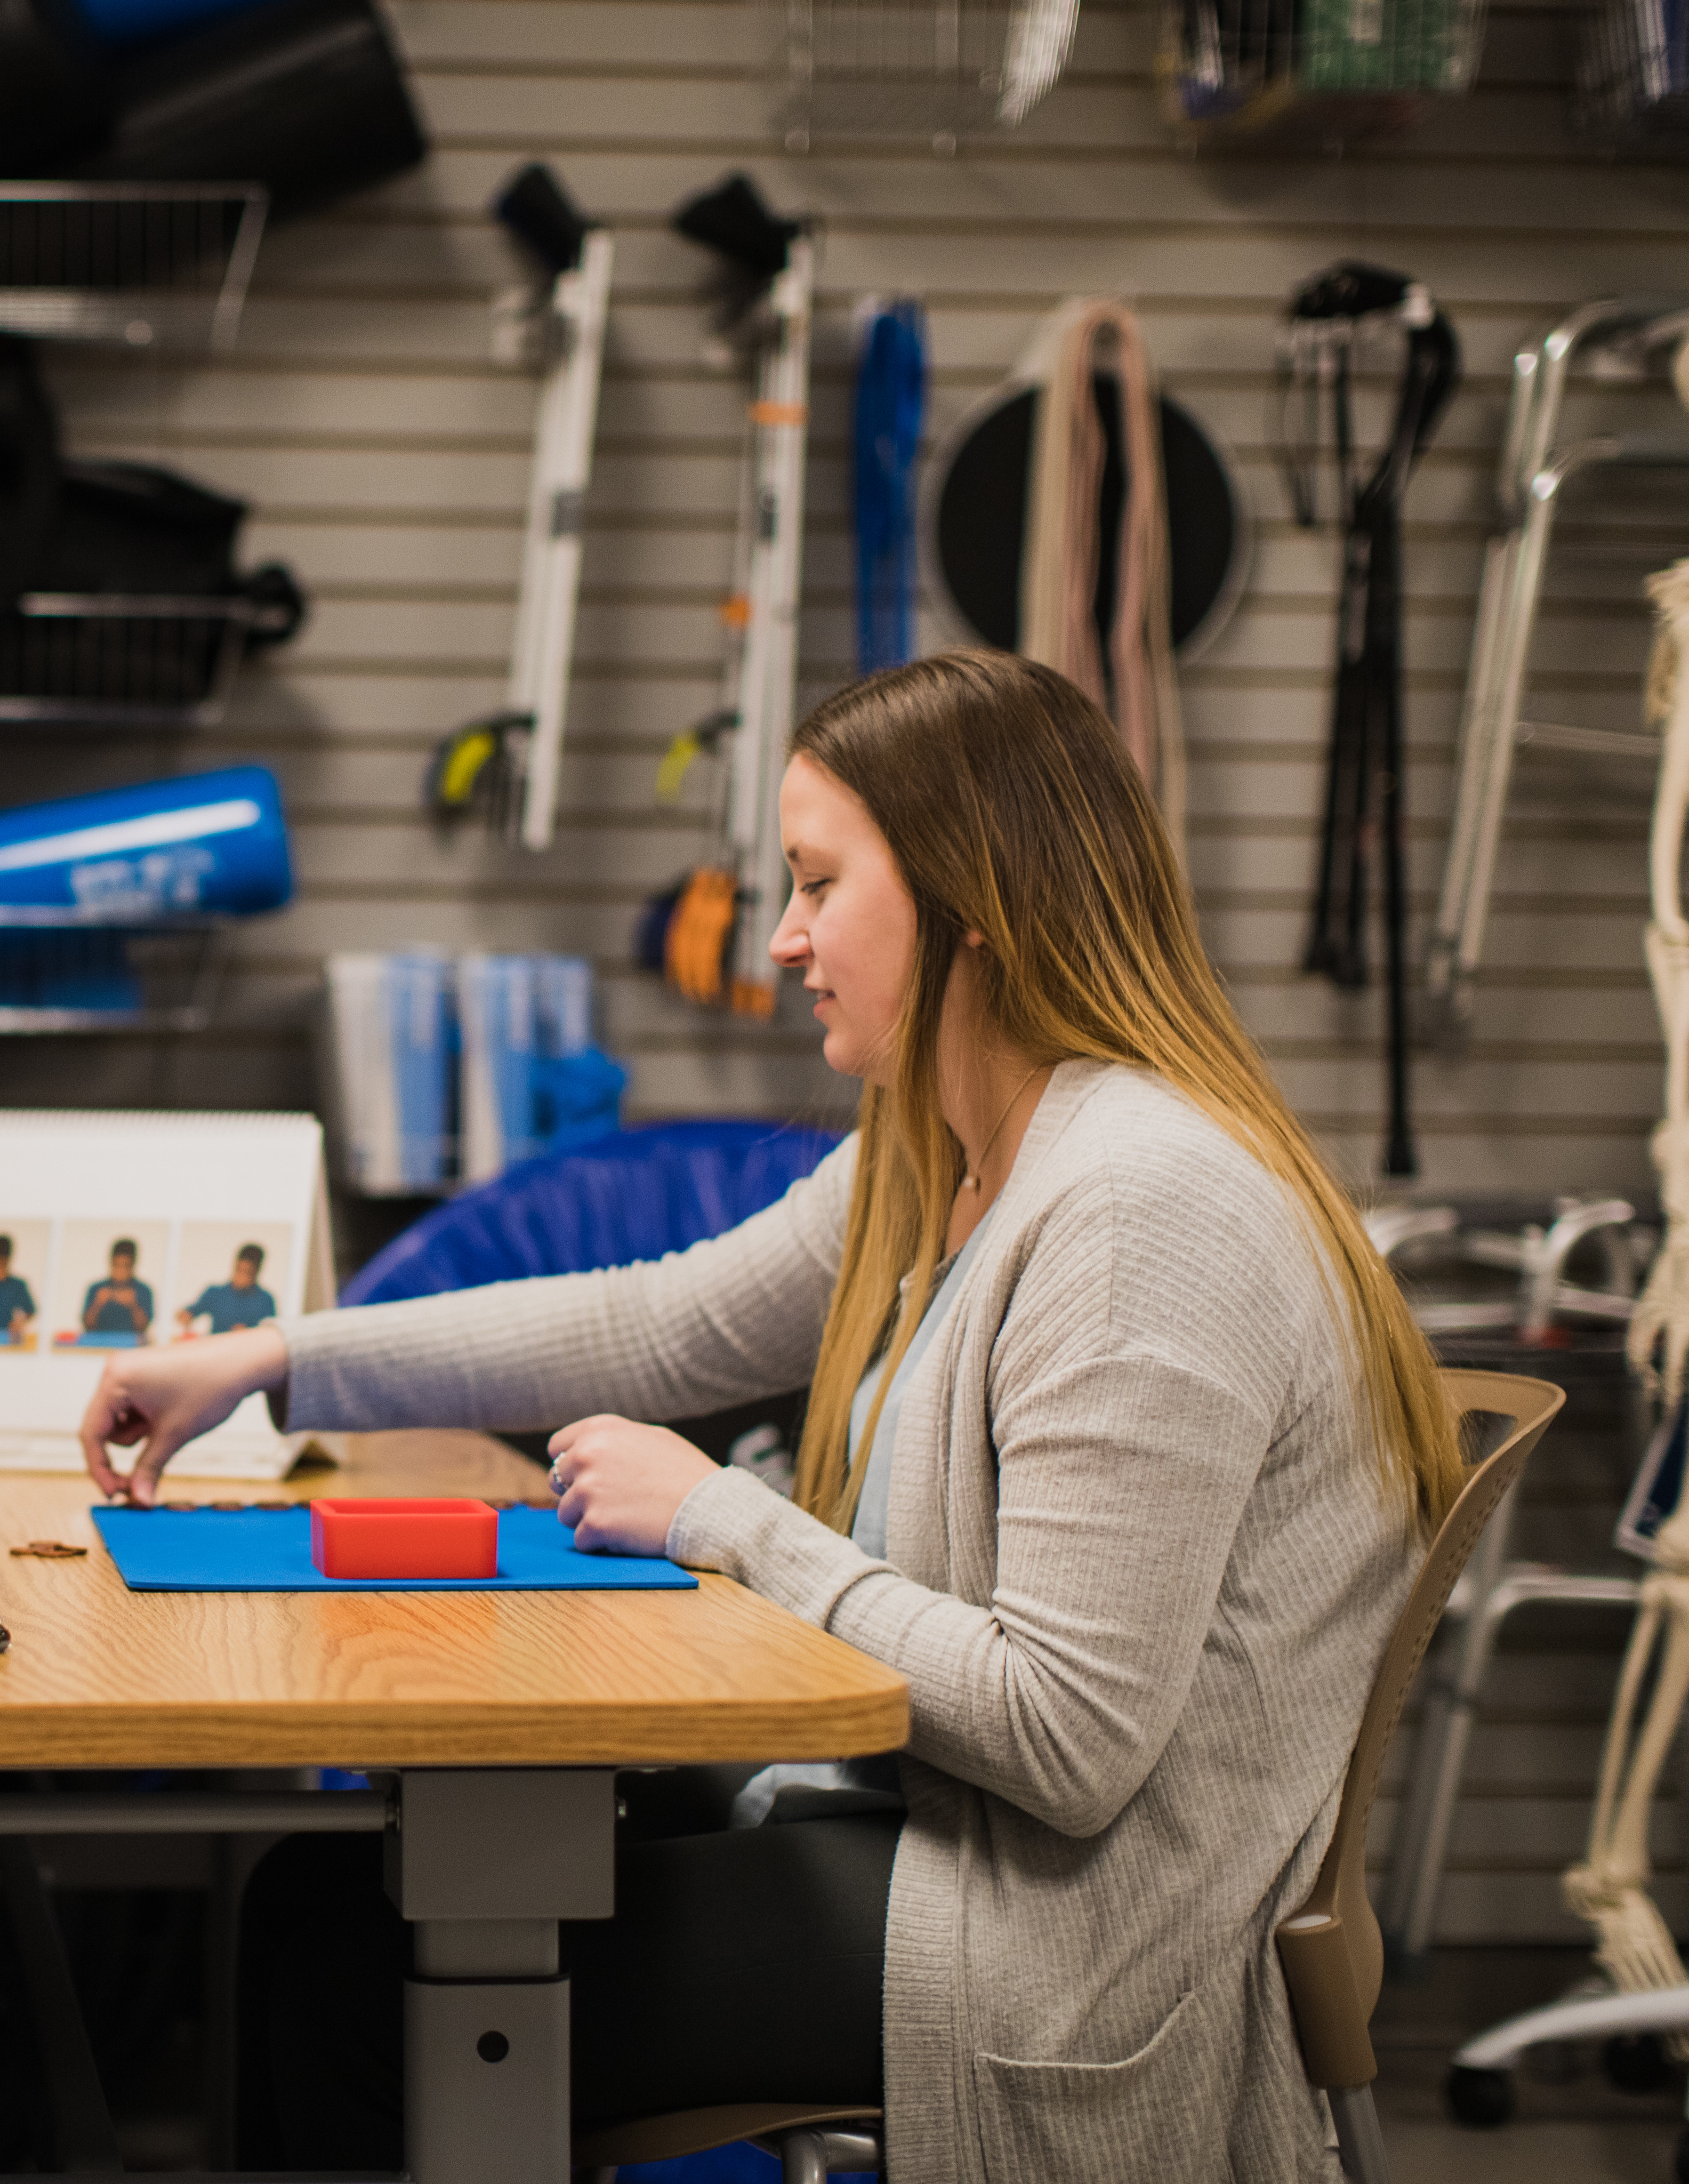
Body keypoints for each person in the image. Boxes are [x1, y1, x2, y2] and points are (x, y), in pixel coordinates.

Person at [74, 649, 1459, 2183]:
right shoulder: (951, 1153)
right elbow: (657, 1320)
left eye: (818, 883)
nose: (787, 939)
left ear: (968, 900)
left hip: (1067, 1958)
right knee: (326, 1908)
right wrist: (272, 1359)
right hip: (932, 1851)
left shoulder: (1140, 1209)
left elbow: (1071, 1740)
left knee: (351, 1979)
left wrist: (725, 1519)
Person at [176, 1243, 277, 1336]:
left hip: (251, 1353)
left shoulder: (266, 1300)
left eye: (248, 1272)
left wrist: (249, 1334)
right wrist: (185, 1316)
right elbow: (192, 1311)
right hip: (216, 1351)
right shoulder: (215, 1293)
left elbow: (271, 1334)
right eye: (240, 1270)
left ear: (257, 1271)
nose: (242, 1276)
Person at [76, 1238, 154, 1340]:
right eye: (116, 1265)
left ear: (133, 1265)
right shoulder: (97, 1288)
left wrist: (133, 1305)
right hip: (98, 1345)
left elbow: (143, 1328)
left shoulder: (143, 1290)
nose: (120, 1270)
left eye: (126, 1266)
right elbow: (87, 1325)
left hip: (130, 1347)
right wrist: (98, 1304)